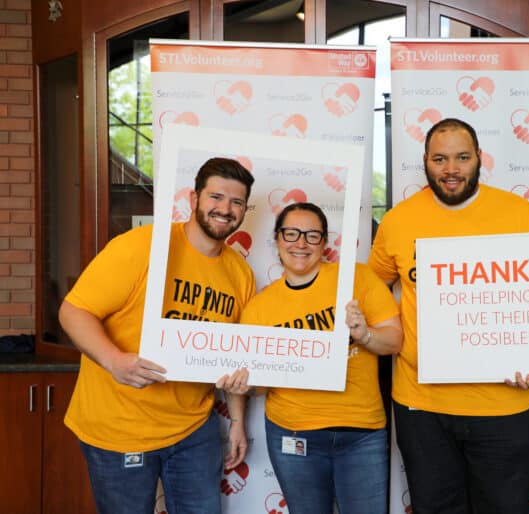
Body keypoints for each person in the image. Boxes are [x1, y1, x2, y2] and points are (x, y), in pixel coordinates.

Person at [367, 118, 529, 513]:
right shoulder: (399, 220)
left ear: (479, 158)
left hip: (504, 403)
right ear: (426, 162)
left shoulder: (521, 215)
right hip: (422, 407)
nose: (451, 169)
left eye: (462, 157)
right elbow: (373, 289)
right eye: (440, 158)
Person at [59, 157, 256, 514]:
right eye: (216, 197)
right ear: (194, 199)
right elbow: (74, 311)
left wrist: (238, 422)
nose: (225, 209)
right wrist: (114, 360)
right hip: (119, 426)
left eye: (237, 202)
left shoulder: (240, 273)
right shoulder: (140, 246)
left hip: (195, 429)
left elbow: (233, 355)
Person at [222, 202, 403, 514]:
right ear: (277, 239)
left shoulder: (356, 279)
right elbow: (253, 380)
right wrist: (240, 406)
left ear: (324, 242)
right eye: (291, 233)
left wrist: (365, 335)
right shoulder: (260, 307)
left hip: (361, 433)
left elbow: (395, 341)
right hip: (292, 434)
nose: (301, 243)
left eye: (311, 235)